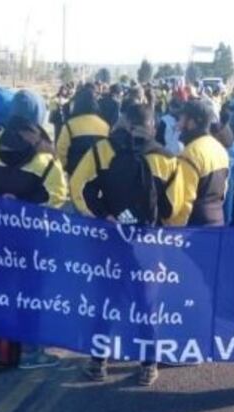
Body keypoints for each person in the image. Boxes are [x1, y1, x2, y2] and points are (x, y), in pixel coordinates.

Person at [69, 101, 184, 385]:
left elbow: (77, 187)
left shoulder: (100, 151)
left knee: (106, 299)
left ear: (122, 123)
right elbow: (176, 209)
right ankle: (148, 364)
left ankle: (98, 361)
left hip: (108, 240)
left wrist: (102, 215)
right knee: (147, 303)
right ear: (152, 127)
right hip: (148, 243)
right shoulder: (167, 159)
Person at [0, 89, 68, 372]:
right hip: (31, 238)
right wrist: (25, 204)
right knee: (30, 290)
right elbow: (57, 196)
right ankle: (29, 351)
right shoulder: (46, 154)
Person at [171, 99, 229, 227]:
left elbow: (183, 202)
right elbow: (223, 192)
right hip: (218, 223)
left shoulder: (189, 154)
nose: (178, 125)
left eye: (181, 119)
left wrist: (175, 233)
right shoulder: (220, 148)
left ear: (191, 123)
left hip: (194, 229)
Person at [56, 86, 110, 176]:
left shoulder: (70, 125)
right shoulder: (104, 126)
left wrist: (64, 167)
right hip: (98, 173)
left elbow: (61, 149)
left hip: (75, 171)